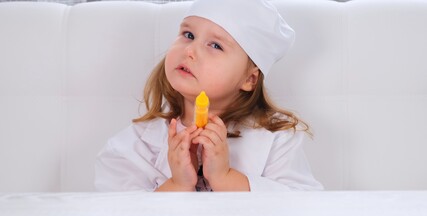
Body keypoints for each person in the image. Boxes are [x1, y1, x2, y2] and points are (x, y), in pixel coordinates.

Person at [95, 0, 323, 192]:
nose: (190, 50)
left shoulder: (276, 140)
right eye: (188, 34)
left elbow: (302, 206)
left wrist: (225, 178)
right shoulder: (132, 146)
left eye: (215, 45)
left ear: (249, 79)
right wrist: (178, 185)